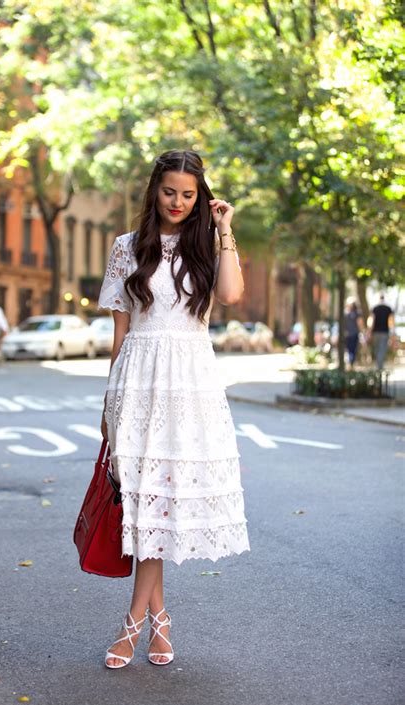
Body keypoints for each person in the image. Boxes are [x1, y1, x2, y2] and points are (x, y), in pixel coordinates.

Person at [97, 150, 249, 669]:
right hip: (136, 385)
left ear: (201, 197)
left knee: (157, 505)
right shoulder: (125, 248)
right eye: (169, 192)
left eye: (189, 194)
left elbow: (230, 294)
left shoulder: (208, 245)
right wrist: (108, 401)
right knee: (143, 507)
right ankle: (156, 624)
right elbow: (120, 332)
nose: (178, 202)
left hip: (190, 387)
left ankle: (133, 625)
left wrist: (225, 228)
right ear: (154, 191)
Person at [367, 294, 394, 370]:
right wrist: (392, 331)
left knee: (377, 348)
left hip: (376, 332)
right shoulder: (388, 308)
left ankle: (379, 365)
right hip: (385, 331)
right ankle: (380, 365)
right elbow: (391, 321)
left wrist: (369, 331)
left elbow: (372, 320)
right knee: (382, 348)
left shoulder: (375, 308)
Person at [344, 299, 364, 368]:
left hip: (348, 334)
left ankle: (350, 363)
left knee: (349, 349)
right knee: (353, 349)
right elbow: (360, 324)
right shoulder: (357, 313)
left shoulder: (346, 314)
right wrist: (362, 331)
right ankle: (351, 363)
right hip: (354, 334)